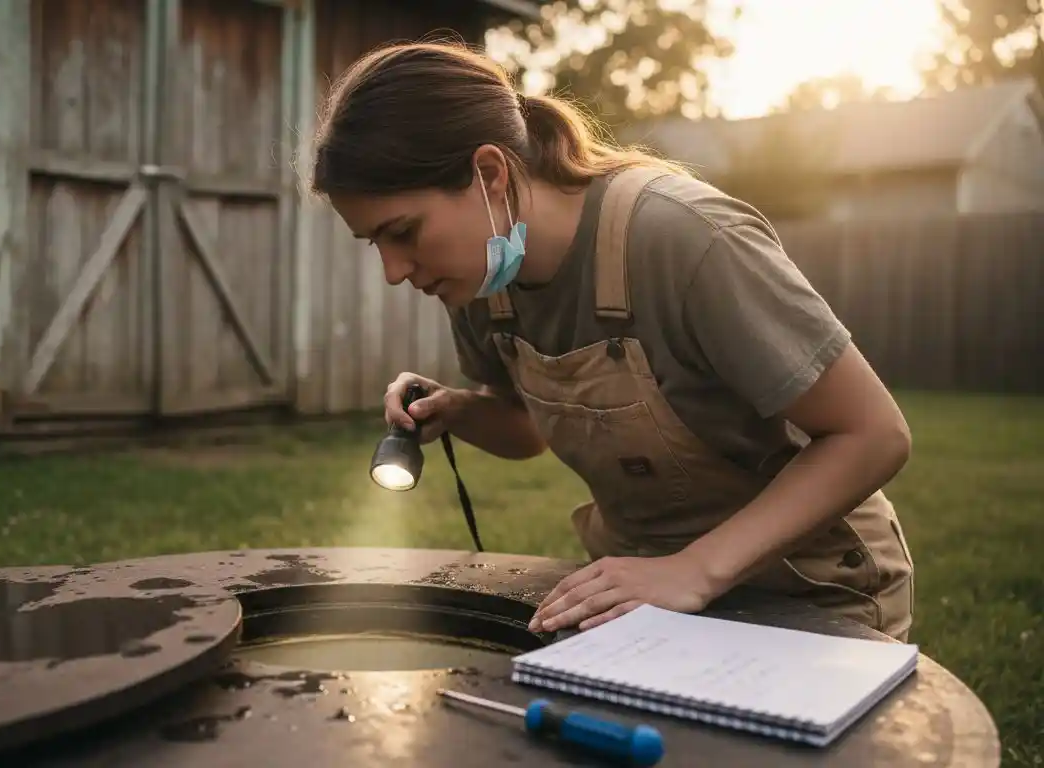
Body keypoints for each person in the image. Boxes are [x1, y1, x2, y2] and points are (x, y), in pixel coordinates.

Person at [308, 40, 916, 642]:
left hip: (813, 594)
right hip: (641, 594)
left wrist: (694, 571)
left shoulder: (683, 238)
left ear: (490, 173)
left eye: (404, 232)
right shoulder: (483, 280)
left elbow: (872, 434)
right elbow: (526, 431)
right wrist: (460, 410)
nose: (393, 271)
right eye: (375, 244)